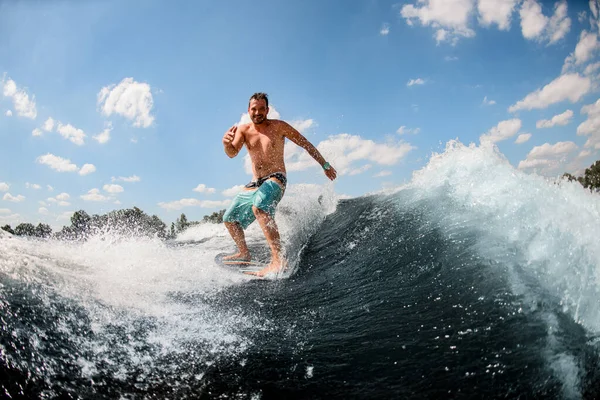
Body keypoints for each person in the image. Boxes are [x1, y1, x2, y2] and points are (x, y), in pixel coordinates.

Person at [222, 92, 337, 277]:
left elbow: (305, 143)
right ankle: (244, 253)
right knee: (229, 218)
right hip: (255, 183)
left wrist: (324, 164)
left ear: (267, 110)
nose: (258, 112)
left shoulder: (279, 126)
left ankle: (277, 260)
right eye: (254, 109)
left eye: (262, 109)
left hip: (276, 179)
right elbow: (232, 152)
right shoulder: (243, 130)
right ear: (248, 110)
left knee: (259, 207)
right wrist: (226, 144)